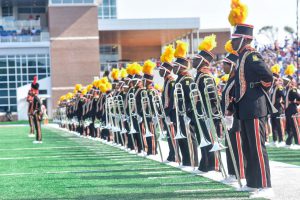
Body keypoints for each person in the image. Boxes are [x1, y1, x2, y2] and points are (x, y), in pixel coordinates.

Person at [230, 11, 275, 196]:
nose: (232, 42)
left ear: (244, 40)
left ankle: (265, 186)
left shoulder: (252, 56)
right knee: (248, 148)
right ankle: (253, 182)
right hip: (245, 108)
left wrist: (256, 89)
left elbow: (268, 77)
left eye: (235, 39)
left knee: (257, 148)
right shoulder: (241, 57)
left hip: (255, 107)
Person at [192, 34, 219, 172]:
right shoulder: (200, 75)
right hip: (201, 113)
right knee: (203, 139)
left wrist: (210, 114)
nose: (193, 61)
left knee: (209, 139)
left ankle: (213, 165)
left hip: (207, 113)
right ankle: (204, 165)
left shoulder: (206, 76)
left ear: (203, 61)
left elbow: (213, 96)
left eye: (196, 59)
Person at [221, 40, 245, 180]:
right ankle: (232, 172)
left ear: (232, 65)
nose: (223, 67)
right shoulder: (229, 79)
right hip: (228, 117)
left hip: (235, 117)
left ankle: (240, 173)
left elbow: (235, 98)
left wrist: (230, 113)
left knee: (237, 146)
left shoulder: (237, 79)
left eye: (225, 64)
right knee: (229, 146)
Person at [173, 40, 198, 167]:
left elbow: (193, 97)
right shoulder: (180, 79)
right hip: (180, 113)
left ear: (181, 67)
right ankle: (186, 160)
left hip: (186, 114)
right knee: (182, 138)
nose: (173, 68)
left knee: (189, 137)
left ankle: (192, 161)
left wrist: (188, 112)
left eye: (175, 66)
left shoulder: (187, 79)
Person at [159, 45, 179, 163]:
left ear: (166, 70)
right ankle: (172, 154)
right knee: (169, 136)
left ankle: (175, 155)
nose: (160, 71)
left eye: (161, 69)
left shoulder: (171, 81)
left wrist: (167, 113)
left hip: (171, 113)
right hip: (167, 113)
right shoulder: (166, 81)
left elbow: (172, 100)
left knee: (172, 135)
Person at [283, 64, 300, 146]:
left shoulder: (293, 90)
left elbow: (299, 98)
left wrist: (295, 103)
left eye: (286, 81)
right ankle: (289, 142)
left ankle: (297, 143)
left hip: (292, 109)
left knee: (294, 126)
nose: (284, 82)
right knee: (289, 126)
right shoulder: (286, 89)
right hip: (287, 109)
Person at [270, 64, 285, 146]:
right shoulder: (272, 88)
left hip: (278, 108)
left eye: (274, 79)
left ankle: (281, 140)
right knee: (274, 124)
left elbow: (284, 96)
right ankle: (275, 140)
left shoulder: (279, 87)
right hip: (272, 108)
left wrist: (282, 103)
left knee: (279, 124)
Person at [31, 76, 43, 144]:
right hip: (35, 114)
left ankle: (39, 140)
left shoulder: (36, 98)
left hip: (37, 114)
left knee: (38, 127)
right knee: (37, 127)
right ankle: (38, 139)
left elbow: (38, 106)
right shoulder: (35, 98)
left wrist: (35, 112)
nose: (31, 91)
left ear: (35, 91)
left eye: (32, 90)